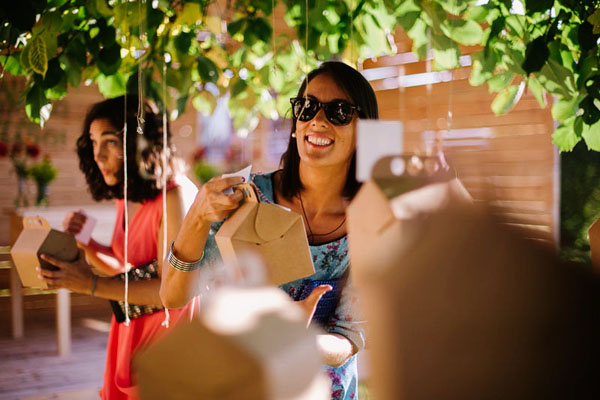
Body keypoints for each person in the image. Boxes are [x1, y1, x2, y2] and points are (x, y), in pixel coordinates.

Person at [160, 61, 378, 400]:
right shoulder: (247, 199)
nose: (317, 120)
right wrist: (197, 217)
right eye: (307, 107)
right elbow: (172, 297)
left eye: (338, 111)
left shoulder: (371, 222)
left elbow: (350, 338)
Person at [38, 95, 197, 400]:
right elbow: (129, 269)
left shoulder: (175, 197)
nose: (98, 155)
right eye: (93, 142)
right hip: (130, 328)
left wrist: (90, 284)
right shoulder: (129, 192)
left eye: (110, 141)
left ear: (141, 143)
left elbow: (170, 291)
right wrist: (89, 246)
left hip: (168, 340)